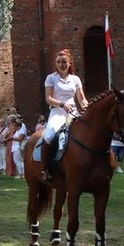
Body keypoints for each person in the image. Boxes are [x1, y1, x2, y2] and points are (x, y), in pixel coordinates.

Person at [38, 49, 89, 183]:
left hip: (73, 112)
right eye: (58, 62)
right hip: (57, 112)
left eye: (64, 62)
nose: (61, 65)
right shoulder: (51, 78)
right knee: (48, 136)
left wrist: (86, 107)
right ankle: (45, 168)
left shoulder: (75, 79)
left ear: (70, 63)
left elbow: (82, 98)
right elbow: (48, 98)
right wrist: (62, 105)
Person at [11, 114, 27, 179]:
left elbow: (21, 139)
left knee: (19, 161)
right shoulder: (17, 131)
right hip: (14, 147)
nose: (14, 127)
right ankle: (21, 173)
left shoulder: (21, 131)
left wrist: (12, 138)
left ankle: (21, 174)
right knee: (17, 161)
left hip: (18, 147)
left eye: (15, 125)